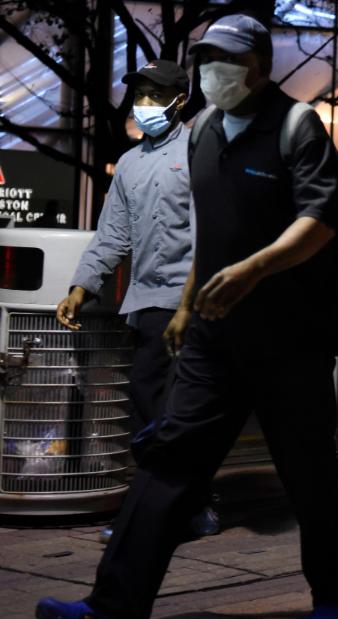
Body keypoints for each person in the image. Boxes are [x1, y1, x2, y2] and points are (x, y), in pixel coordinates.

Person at [37, 14, 338, 619]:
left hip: (292, 338)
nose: (214, 70)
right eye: (206, 57)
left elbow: (321, 223)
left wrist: (253, 270)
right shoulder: (206, 129)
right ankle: (112, 605)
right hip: (216, 336)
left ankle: (335, 598)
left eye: (228, 59)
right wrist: (187, 307)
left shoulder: (297, 126)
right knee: (167, 463)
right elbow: (208, 233)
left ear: (259, 65)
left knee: (309, 474)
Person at [56, 60, 219, 541]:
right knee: (149, 413)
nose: (143, 103)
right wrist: (80, 287)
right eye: (139, 94)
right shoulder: (129, 163)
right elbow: (113, 235)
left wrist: (190, 306)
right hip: (145, 306)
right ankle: (170, 505)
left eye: (154, 94)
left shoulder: (198, 151)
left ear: (180, 99)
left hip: (190, 304)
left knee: (183, 411)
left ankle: (185, 508)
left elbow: (210, 233)